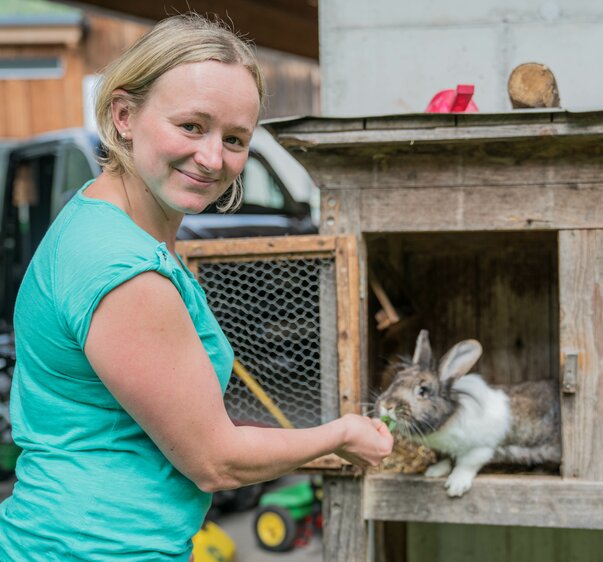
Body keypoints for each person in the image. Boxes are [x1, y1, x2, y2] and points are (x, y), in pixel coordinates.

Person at [0, 14, 393, 561]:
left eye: (234, 138)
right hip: (96, 547)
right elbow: (214, 460)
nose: (213, 158)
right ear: (124, 115)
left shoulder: (102, 219)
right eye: (191, 126)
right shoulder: (123, 268)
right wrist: (342, 435)